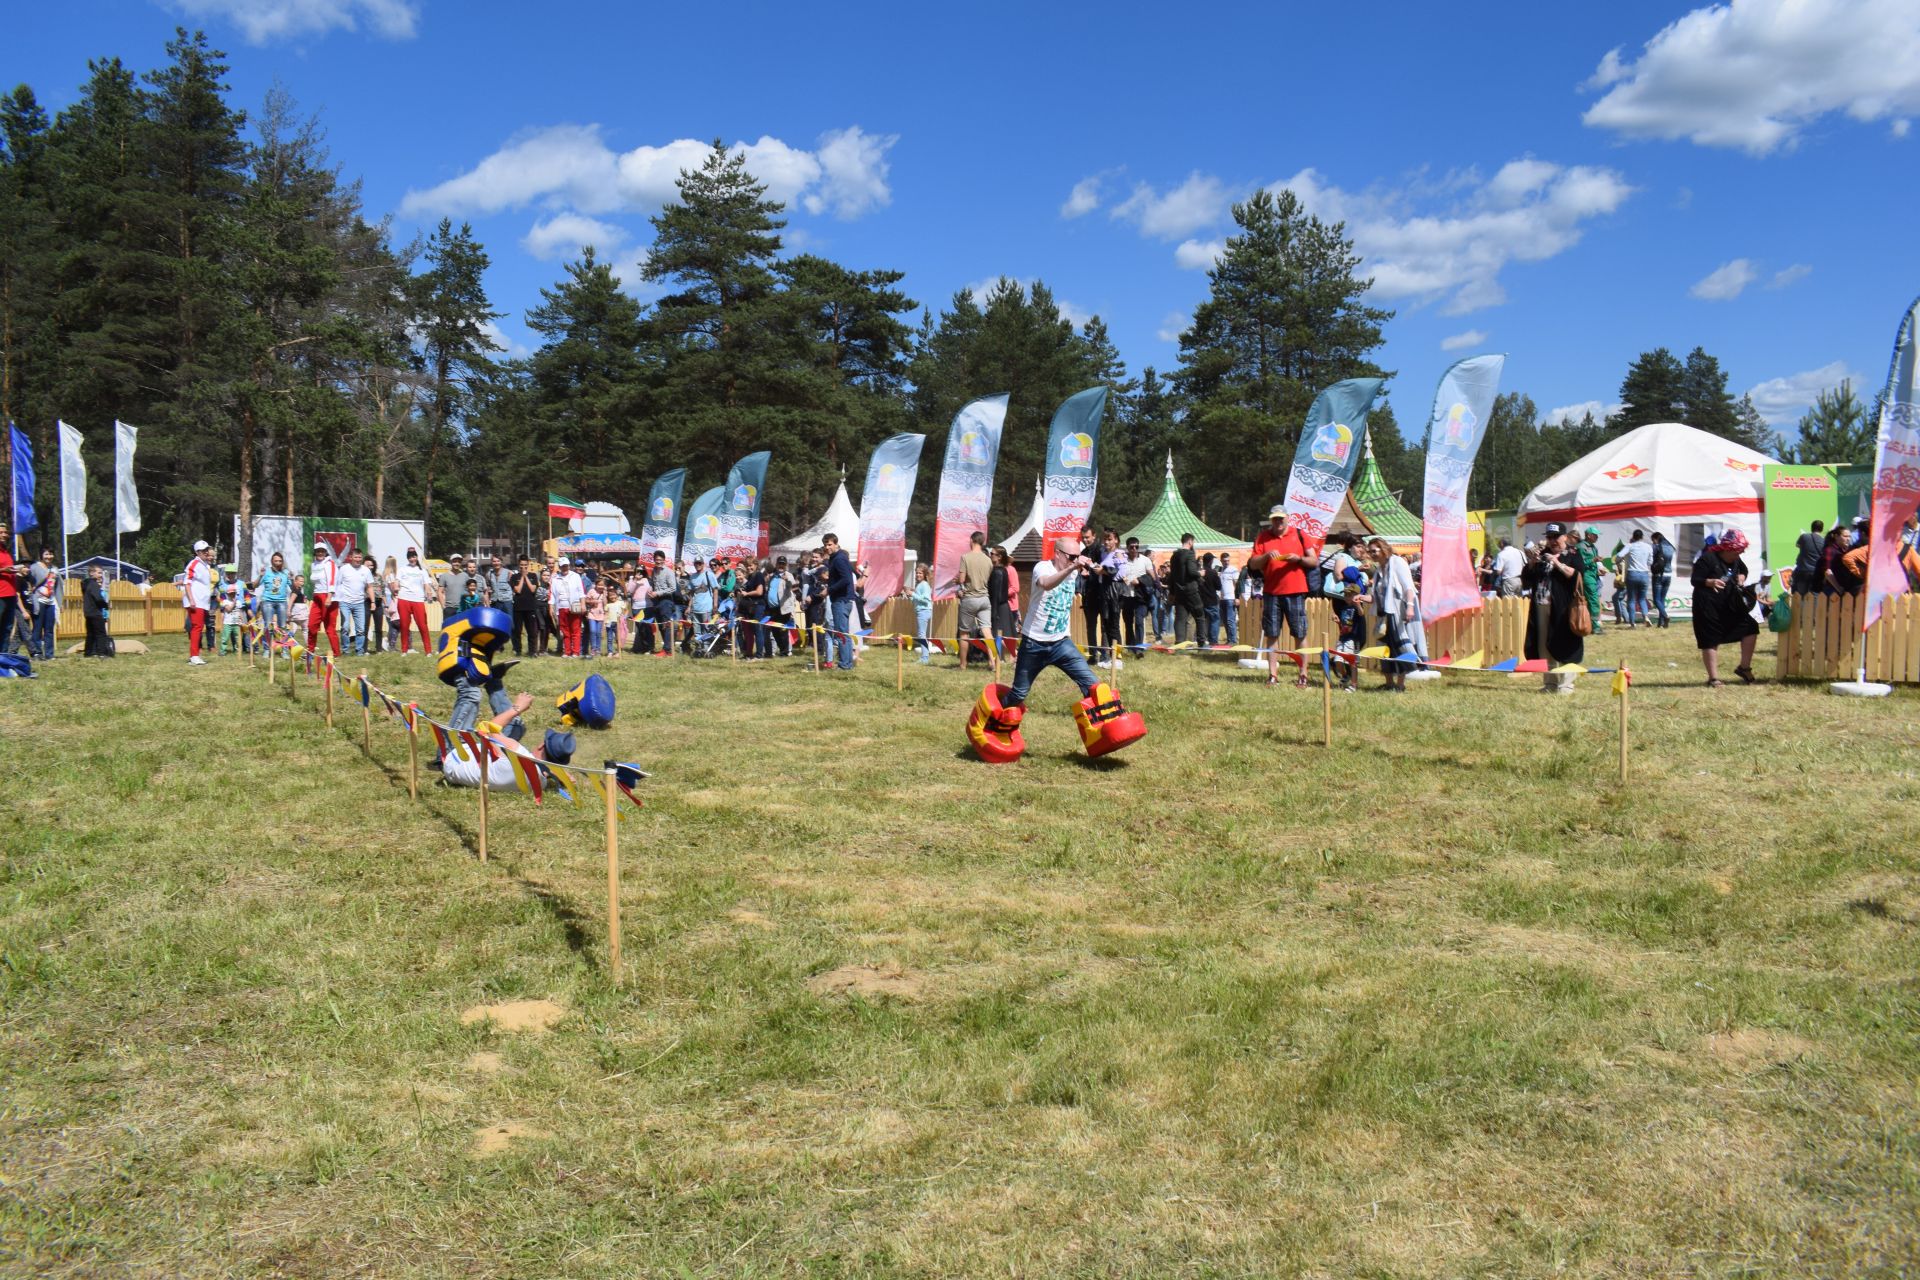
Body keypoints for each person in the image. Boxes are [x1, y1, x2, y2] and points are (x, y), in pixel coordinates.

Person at [1250, 506, 1313, 688]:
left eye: (1281, 519)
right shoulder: (1263, 537)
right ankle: (1272, 675)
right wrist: (1266, 556)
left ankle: (1303, 675)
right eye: (1275, 519)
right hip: (1271, 592)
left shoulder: (1299, 534)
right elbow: (1253, 564)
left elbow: (1313, 560)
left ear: (1288, 518)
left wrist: (1298, 559)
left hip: (1295, 591)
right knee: (1272, 634)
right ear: (1271, 520)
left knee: (1300, 634)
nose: (1278, 522)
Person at [1693, 527, 1760, 687]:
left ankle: (1744, 667)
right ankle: (1713, 678)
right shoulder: (1708, 559)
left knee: (1750, 627)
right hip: (1707, 605)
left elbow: (1743, 569)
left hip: (1730, 604)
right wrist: (1709, 582)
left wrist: (1742, 576)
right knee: (1710, 639)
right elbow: (1695, 579)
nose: (1739, 554)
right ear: (1726, 548)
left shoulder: (1736, 560)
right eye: (1737, 551)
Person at [1522, 523, 1584, 694]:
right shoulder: (1542, 554)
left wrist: (1557, 563)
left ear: (1565, 537)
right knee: (1544, 645)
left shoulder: (1572, 554)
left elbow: (1578, 575)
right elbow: (1526, 578)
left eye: (1555, 537)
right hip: (1541, 606)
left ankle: (1566, 684)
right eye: (1549, 537)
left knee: (1565, 644)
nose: (1552, 541)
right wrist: (1532, 564)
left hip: (1564, 608)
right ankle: (1550, 683)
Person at [1367, 538, 1418, 692]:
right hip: (1382, 615)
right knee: (1384, 648)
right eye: (1370, 551)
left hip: (1396, 613)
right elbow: (1376, 596)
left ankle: (1400, 684)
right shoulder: (1378, 570)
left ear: (1383, 549)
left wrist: (1410, 607)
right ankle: (1389, 683)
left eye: (1374, 551)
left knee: (1398, 647)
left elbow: (1408, 587)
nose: (1372, 554)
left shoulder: (1397, 563)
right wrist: (1363, 598)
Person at [957, 531, 993, 671]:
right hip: (984, 599)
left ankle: (963, 665)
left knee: (964, 632)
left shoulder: (965, 557)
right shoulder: (988, 560)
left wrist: (962, 581)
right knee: (987, 631)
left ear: (971, 540)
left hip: (970, 598)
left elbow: (961, 580)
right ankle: (992, 662)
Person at [824, 532, 856, 670]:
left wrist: (829, 589)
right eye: (825, 544)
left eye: (830, 544)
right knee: (844, 633)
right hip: (844, 600)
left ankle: (844, 664)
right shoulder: (836, 558)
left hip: (841, 600)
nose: (827, 547)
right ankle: (847, 663)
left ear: (836, 544)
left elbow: (846, 579)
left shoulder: (839, 559)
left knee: (841, 633)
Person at [1166, 533, 1205, 644]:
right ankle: (1202, 643)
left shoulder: (1174, 556)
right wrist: (1200, 573)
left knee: (1180, 619)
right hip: (1191, 590)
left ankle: (1179, 644)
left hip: (1179, 591)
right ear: (1190, 542)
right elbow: (1192, 572)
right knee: (1200, 616)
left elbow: (1172, 576)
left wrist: (1172, 592)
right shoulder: (1189, 554)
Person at [389, 548, 429, 654]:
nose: (412, 559)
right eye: (410, 557)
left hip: (418, 599)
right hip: (404, 599)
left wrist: (428, 593)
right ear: (408, 558)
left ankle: (428, 651)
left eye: (414, 556)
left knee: (422, 625)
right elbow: (397, 582)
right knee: (404, 626)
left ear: (416, 557)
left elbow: (426, 584)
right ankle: (404, 650)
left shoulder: (422, 570)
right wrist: (396, 588)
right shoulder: (402, 569)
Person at [306, 541, 342, 656]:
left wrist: (329, 597)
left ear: (326, 552)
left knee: (329, 628)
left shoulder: (330, 563)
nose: (320, 553)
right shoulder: (314, 564)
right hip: (317, 596)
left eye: (322, 551)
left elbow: (332, 580)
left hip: (329, 597)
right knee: (312, 625)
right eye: (318, 551)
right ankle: (310, 651)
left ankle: (336, 653)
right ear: (315, 552)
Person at [24, 548, 59, 661]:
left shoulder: (54, 569)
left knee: (49, 629)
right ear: (41, 555)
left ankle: (49, 653)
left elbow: (57, 586)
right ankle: (37, 653)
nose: (49, 556)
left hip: (51, 601)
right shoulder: (35, 567)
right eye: (46, 554)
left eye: (51, 554)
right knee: (37, 628)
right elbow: (27, 578)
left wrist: (59, 601)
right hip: (39, 601)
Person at [1120, 537, 1153, 657]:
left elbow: (1152, 578)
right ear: (1127, 548)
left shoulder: (1145, 560)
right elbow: (1117, 574)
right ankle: (1130, 646)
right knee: (1128, 623)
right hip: (1126, 595)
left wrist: (1139, 581)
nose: (1134, 549)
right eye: (1131, 547)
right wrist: (1121, 578)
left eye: (1136, 547)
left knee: (1139, 622)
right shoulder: (1122, 560)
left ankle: (1139, 648)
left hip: (1140, 596)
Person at [1618, 530, 1654, 627]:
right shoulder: (1648, 547)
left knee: (1631, 600)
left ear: (1633, 537)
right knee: (1642, 598)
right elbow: (1650, 561)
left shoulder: (1630, 546)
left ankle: (1632, 622)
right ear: (1642, 537)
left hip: (1632, 574)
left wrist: (1619, 563)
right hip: (1644, 574)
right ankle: (1645, 616)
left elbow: (1619, 555)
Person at [645, 551, 678, 655]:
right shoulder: (654, 570)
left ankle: (667, 649)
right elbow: (654, 585)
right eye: (656, 559)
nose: (658, 561)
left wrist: (658, 593)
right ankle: (667, 650)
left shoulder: (669, 572)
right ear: (654, 560)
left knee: (667, 625)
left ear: (664, 560)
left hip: (666, 601)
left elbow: (673, 588)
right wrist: (651, 590)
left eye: (660, 559)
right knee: (661, 626)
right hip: (656, 602)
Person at [1574, 527, 1604, 635]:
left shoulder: (1593, 547)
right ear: (1588, 535)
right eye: (1595, 535)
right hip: (1586, 577)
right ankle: (1595, 627)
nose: (1597, 537)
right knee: (1593, 600)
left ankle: (1589, 624)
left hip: (1592, 576)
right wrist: (1593, 560)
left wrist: (1598, 572)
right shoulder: (1581, 547)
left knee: (1590, 601)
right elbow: (1579, 563)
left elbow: (1592, 563)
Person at [685, 556, 718, 653]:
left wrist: (715, 605)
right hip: (695, 609)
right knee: (697, 631)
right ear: (694, 564)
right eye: (696, 563)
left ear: (703, 564)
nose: (698, 565)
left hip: (706, 608)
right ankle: (698, 650)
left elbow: (715, 589)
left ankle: (707, 649)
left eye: (700, 563)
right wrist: (689, 606)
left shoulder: (709, 574)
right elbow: (691, 593)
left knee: (706, 630)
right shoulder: (692, 577)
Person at [256, 552, 291, 634]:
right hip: (267, 601)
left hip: (282, 602)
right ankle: (267, 647)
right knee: (268, 627)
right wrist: (260, 576)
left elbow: (293, 588)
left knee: (282, 627)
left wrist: (292, 579)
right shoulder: (266, 572)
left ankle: (283, 646)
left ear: (282, 562)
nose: (278, 563)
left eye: (280, 561)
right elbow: (255, 585)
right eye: (276, 561)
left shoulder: (286, 572)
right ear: (272, 562)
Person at [987, 547, 1013, 657]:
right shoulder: (1002, 570)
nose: (990, 555)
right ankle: (1000, 658)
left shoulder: (997, 572)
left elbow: (996, 594)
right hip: (1001, 606)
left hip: (999, 606)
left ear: (999, 557)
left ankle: (1015, 656)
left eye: (992, 553)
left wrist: (994, 612)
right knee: (1000, 635)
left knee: (999, 634)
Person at [0, 521, 21, 656]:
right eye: (0, 532)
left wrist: (19, 571)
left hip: (10, 593)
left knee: (7, 627)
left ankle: (3, 656)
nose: (3, 534)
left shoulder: (6, 551)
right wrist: (3, 569)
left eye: (5, 532)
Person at [82, 565, 111, 657]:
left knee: (90, 633)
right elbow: (98, 599)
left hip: (88, 612)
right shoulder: (94, 584)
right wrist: (105, 605)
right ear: (91, 573)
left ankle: (88, 652)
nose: (101, 575)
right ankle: (102, 653)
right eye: (99, 573)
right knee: (101, 633)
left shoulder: (86, 584)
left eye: (101, 573)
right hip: (96, 612)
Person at [216, 565, 246, 655]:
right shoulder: (222, 585)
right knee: (227, 635)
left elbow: (247, 595)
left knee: (240, 632)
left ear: (235, 573)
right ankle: (224, 649)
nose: (230, 575)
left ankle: (241, 648)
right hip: (227, 611)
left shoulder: (241, 583)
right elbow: (221, 598)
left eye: (232, 573)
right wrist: (223, 607)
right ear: (225, 574)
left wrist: (247, 607)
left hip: (240, 609)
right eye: (228, 573)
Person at [1792, 520, 1825, 596]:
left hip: (1802, 570)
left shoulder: (1804, 537)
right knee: (1814, 595)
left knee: (1801, 595)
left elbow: (1797, 545)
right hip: (1816, 572)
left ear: (1811, 528)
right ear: (1822, 529)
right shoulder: (1824, 541)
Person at [1649, 532, 1674, 628]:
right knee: (1662, 600)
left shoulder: (1656, 547)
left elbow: (1651, 559)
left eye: (1653, 540)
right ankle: (1661, 622)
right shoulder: (1670, 547)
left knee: (1656, 600)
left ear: (1655, 539)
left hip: (1659, 574)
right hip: (1669, 574)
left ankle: (1665, 616)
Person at [911, 563, 934, 662]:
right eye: (916, 573)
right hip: (921, 611)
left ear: (924, 574)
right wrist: (911, 596)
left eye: (920, 573)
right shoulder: (920, 585)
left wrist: (913, 594)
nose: (918, 575)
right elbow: (918, 599)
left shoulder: (924, 585)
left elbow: (925, 600)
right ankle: (925, 657)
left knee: (921, 635)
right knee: (921, 634)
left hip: (924, 611)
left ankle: (925, 658)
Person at [1216, 552, 1240, 645]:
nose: (1226, 562)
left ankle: (1233, 640)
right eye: (1224, 561)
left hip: (1230, 598)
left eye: (1228, 560)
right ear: (1221, 560)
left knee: (1230, 620)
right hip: (1222, 599)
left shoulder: (1233, 569)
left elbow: (1237, 584)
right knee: (1225, 621)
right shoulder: (1220, 570)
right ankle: (1229, 639)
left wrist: (1236, 597)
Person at [583, 571, 607, 657]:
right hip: (592, 614)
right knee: (592, 631)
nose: (600, 587)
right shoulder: (591, 591)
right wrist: (592, 601)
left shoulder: (604, 592)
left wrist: (604, 594)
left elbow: (605, 603)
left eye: (602, 585)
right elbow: (586, 600)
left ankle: (598, 649)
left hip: (600, 614)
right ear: (596, 584)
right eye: (599, 585)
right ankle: (593, 648)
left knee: (598, 632)